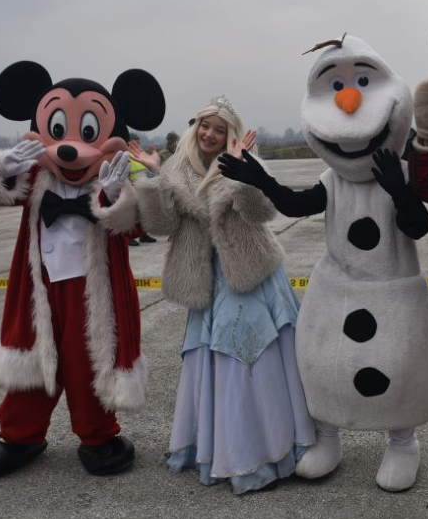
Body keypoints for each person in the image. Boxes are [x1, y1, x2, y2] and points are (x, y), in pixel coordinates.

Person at [107, 96, 314, 493]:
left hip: (249, 273)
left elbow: (261, 213)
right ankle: (225, 448)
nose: (210, 134)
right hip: (205, 278)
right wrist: (154, 177)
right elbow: (162, 226)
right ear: (196, 126)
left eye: (219, 129)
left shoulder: (244, 161)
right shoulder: (176, 167)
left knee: (254, 358)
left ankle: (265, 451)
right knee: (217, 363)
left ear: (229, 135)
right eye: (206, 125)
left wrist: (243, 173)